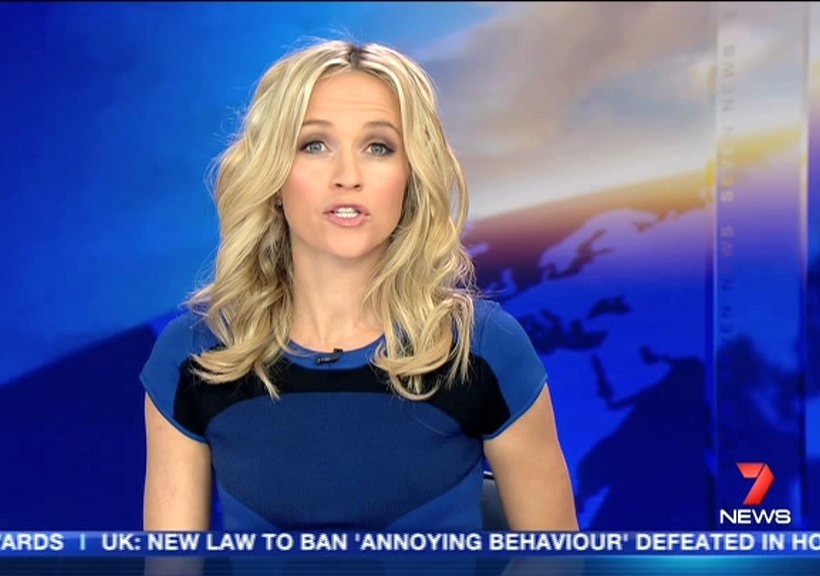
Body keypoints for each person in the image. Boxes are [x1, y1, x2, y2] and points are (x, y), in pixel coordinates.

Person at [141, 38, 578, 536]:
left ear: (411, 177)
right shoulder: (194, 355)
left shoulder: (481, 347)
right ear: (273, 175)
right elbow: (171, 565)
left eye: (378, 147)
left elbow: (555, 558)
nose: (347, 176)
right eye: (314, 145)